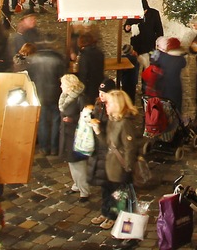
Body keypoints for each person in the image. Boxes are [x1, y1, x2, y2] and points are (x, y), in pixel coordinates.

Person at [90, 89, 143, 230]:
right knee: (107, 192)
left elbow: (130, 148)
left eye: (109, 103)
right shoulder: (113, 120)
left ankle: (115, 218)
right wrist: (97, 131)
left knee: (119, 196)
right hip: (110, 166)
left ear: (118, 104)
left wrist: (127, 169)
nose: (106, 106)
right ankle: (107, 213)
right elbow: (108, 143)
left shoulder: (125, 123)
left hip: (120, 168)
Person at [27, 42, 68, 155]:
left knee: (42, 121)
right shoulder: (58, 58)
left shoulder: (34, 59)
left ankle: (44, 148)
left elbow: (30, 77)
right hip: (55, 93)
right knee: (56, 120)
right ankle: (54, 148)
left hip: (40, 94)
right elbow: (64, 76)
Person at [58, 73, 91, 201]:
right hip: (67, 134)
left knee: (79, 164)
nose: (60, 86)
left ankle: (84, 190)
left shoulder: (80, 98)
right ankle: (77, 184)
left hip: (77, 136)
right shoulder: (65, 97)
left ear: (69, 85)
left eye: (63, 84)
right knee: (72, 162)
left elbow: (87, 116)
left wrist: (72, 119)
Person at [124, 0, 164, 90]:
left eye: (144, 10)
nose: (143, 12)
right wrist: (127, 28)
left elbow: (159, 30)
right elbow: (127, 26)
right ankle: (132, 88)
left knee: (147, 68)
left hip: (148, 45)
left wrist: (158, 41)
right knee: (133, 68)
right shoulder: (133, 14)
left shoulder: (154, 14)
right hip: (136, 46)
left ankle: (145, 88)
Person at [148, 36, 187, 113]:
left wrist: (156, 50)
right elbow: (183, 64)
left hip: (162, 84)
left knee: (163, 105)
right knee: (176, 106)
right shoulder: (181, 59)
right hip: (175, 85)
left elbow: (152, 59)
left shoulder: (162, 56)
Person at [74, 32, 106, 106]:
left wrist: (81, 90)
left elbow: (84, 74)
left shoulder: (84, 55)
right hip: (98, 82)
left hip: (89, 87)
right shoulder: (99, 52)